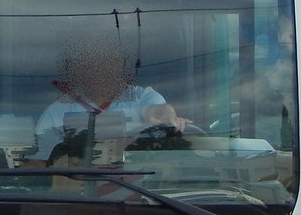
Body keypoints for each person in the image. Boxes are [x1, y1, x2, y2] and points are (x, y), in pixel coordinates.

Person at [26, 32, 190, 167]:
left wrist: (166, 118)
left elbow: (159, 110)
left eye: (108, 61)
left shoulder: (141, 96)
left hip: (140, 192)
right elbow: (40, 161)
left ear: (119, 66)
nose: (100, 70)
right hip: (76, 193)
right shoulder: (58, 111)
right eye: (91, 63)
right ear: (78, 70)